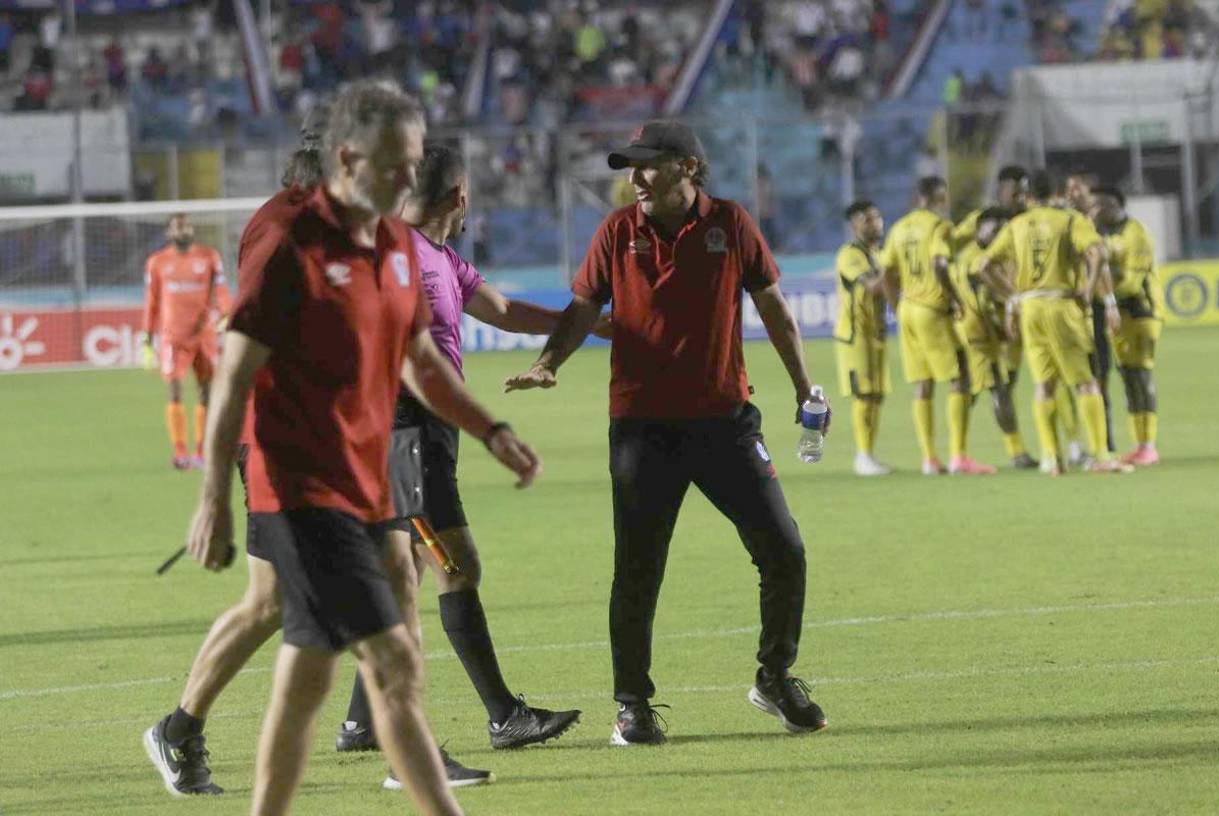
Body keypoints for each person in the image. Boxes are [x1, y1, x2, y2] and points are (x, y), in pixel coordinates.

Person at [173, 81, 540, 816]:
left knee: (310, 674)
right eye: (394, 164)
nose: (411, 179)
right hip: (299, 485)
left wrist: (490, 429)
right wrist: (213, 496)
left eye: (413, 164)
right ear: (346, 158)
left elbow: (420, 365)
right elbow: (234, 378)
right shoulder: (288, 245)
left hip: (367, 479)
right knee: (391, 660)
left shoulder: (399, 248)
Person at [505, 120, 830, 745]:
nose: (633, 179)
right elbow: (581, 309)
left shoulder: (730, 224)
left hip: (726, 423)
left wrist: (802, 388)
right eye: (630, 167)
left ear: (687, 166)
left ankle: (774, 677)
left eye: (645, 166)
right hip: (641, 429)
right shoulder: (616, 231)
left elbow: (773, 310)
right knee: (638, 569)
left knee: (783, 549)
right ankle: (631, 705)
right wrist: (548, 363)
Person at [335, 144, 583, 788]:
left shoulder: (440, 257)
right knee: (455, 567)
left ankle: (362, 723)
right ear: (460, 196)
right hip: (406, 430)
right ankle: (503, 716)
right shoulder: (404, 257)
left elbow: (500, 312)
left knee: (410, 570)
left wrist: (584, 326)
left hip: (428, 432)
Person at [973, 170, 1131, 475]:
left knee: (1044, 384)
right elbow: (1097, 253)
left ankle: (1051, 458)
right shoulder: (1070, 220)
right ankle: (1101, 455)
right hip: (1061, 305)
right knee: (1086, 381)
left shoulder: (1016, 225)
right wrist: (1090, 289)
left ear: (1029, 196)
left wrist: (1013, 298)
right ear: (1055, 192)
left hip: (1030, 308)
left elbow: (983, 265)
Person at [880, 176, 995, 475]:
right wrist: (956, 299)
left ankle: (929, 459)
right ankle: (958, 456)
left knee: (923, 383)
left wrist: (896, 305)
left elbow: (887, 271)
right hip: (932, 309)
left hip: (908, 310)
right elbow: (940, 264)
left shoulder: (900, 228)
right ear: (939, 198)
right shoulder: (938, 227)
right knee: (961, 376)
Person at [139, 214, 231, 470]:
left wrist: (226, 313)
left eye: (187, 226)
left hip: (204, 334)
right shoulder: (157, 262)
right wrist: (147, 337)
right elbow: (152, 301)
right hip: (173, 337)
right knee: (175, 389)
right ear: (170, 233)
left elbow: (221, 289)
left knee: (207, 392)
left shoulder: (209, 257)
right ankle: (180, 452)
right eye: (178, 228)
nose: (183, 231)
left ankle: (201, 452)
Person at [948, 208, 1038, 469]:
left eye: (1004, 230)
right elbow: (989, 301)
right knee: (997, 388)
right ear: (979, 231)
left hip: (982, 334)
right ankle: (1017, 453)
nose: (1000, 235)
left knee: (969, 391)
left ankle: (957, 454)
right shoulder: (975, 261)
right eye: (994, 230)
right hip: (977, 335)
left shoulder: (995, 257)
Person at [1093, 186, 1161, 465]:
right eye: (1096, 206)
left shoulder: (1136, 233)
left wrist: (1101, 296)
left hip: (1142, 312)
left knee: (1141, 374)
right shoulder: (1102, 234)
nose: (1099, 211)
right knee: (1127, 376)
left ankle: (1149, 444)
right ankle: (1139, 443)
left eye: (1104, 205)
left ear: (1117, 204)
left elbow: (1132, 283)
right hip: (1119, 316)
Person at [833, 200, 891, 476]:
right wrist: (896, 264)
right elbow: (873, 285)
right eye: (867, 219)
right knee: (864, 395)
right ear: (855, 225)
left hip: (876, 334)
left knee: (877, 395)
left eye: (877, 217)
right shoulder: (850, 255)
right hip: (855, 337)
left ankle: (870, 453)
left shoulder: (878, 253)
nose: (875, 223)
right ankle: (862, 456)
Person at [1064, 169, 1112, 459]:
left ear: (1090, 194)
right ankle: (1076, 443)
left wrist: (1109, 303)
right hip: (1068, 307)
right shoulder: (1066, 223)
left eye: (1078, 188)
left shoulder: (1096, 225)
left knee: (1100, 375)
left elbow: (1102, 264)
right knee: (1071, 377)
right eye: (1069, 188)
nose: (1072, 193)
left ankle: (1103, 441)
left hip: (1091, 306)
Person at [951, 165, 1029, 252]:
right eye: (1016, 193)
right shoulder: (983, 217)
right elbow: (953, 241)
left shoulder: (1030, 217)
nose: (1021, 198)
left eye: (1025, 193)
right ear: (1002, 190)